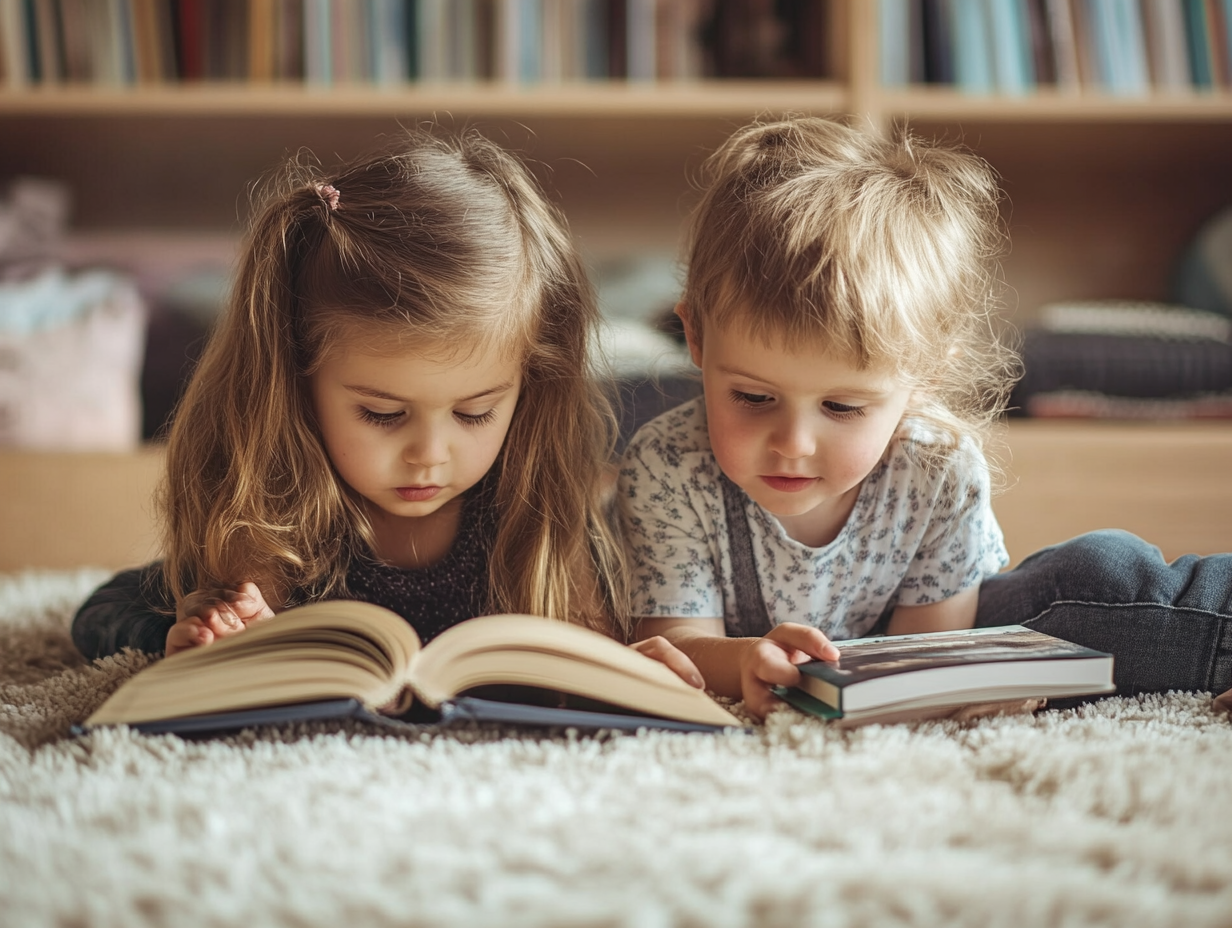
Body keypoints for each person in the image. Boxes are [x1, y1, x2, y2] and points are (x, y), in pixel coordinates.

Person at [618, 115, 1232, 719]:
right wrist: (750, 660)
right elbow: (679, 649)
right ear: (695, 336)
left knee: (1097, 577)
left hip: (957, 626)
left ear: (926, 375)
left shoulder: (937, 462)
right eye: (753, 398)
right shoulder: (668, 461)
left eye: (842, 406)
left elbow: (928, 649)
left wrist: (955, 685)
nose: (794, 444)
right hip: (790, 650)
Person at [71, 128, 697, 687]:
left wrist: (630, 664)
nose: (430, 455)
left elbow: (594, 639)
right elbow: (127, 619)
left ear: (529, 389)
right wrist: (198, 631)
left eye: (475, 413)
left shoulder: (536, 509)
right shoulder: (271, 508)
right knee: (142, 606)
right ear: (297, 381)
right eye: (383, 414)